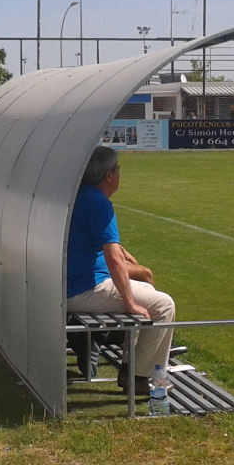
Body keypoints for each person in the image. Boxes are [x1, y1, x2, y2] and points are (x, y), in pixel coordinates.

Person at [66, 146, 176, 395]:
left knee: (147, 290)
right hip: (82, 289)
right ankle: (139, 378)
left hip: (70, 284)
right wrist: (129, 303)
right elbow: (114, 260)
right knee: (164, 305)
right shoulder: (97, 203)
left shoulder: (78, 195)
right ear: (108, 176)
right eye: (118, 170)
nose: (119, 174)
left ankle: (131, 366)